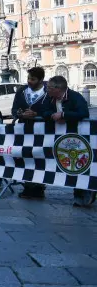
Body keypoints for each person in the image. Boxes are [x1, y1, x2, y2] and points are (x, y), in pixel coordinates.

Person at [42, 75, 94, 207]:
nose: (46, 89)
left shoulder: (75, 97)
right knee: (60, 163)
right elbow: (43, 112)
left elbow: (83, 113)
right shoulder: (49, 98)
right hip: (57, 138)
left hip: (77, 138)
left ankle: (84, 193)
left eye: (49, 87)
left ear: (57, 88)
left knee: (79, 164)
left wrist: (64, 115)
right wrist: (52, 116)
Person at [12, 67, 48, 199]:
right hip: (24, 129)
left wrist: (37, 114)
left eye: (32, 79)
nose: (29, 81)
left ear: (40, 80)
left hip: (41, 131)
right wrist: (20, 113)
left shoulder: (47, 92)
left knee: (39, 158)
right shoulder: (22, 91)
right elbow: (14, 108)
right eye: (28, 78)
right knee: (26, 156)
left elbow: (50, 110)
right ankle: (27, 185)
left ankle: (39, 187)